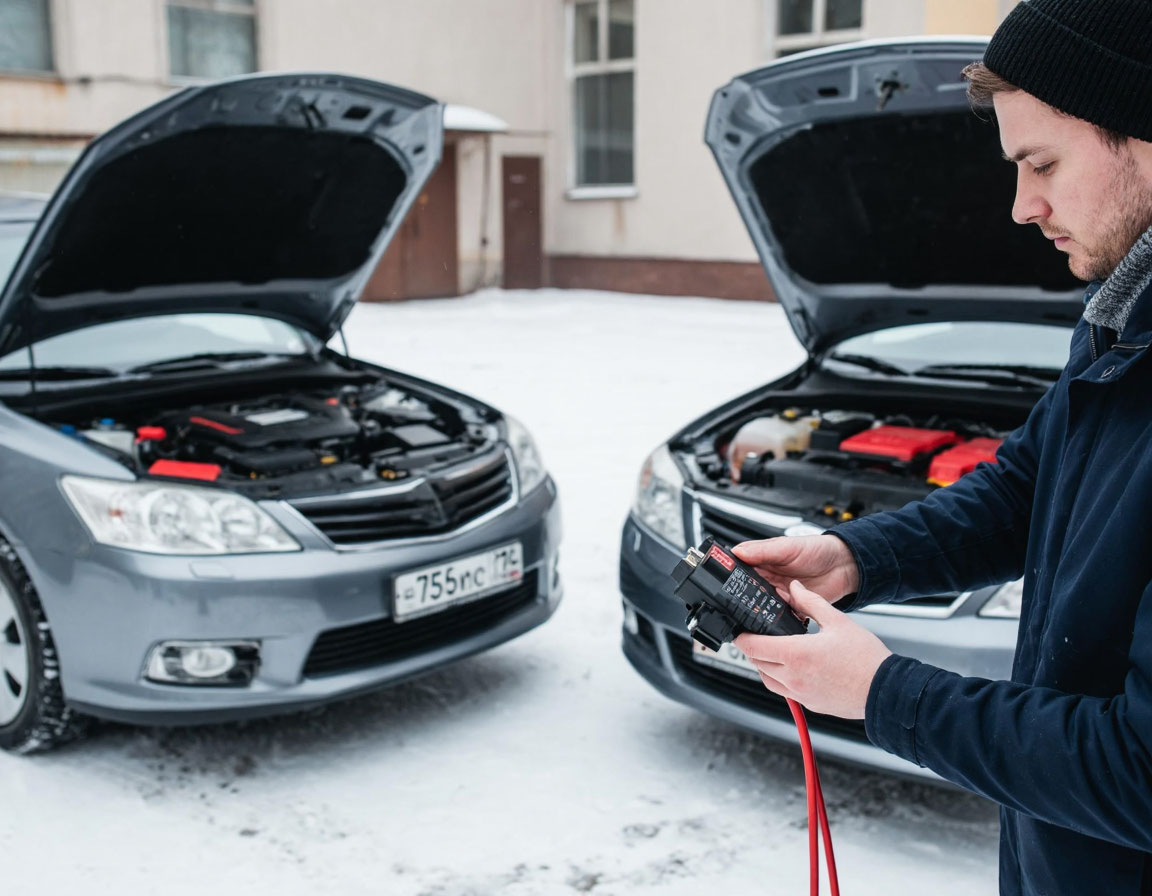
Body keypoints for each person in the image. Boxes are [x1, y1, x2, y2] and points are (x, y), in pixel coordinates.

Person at [731, 2, 1152, 894]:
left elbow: (1141, 771)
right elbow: (1025, 489)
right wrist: (853, 558)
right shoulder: (1123, 320)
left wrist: (884, 695)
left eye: (1044, 163)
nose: (1022, 207)